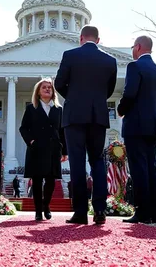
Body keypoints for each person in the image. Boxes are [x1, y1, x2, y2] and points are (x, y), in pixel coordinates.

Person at [55, 25, 117, 225]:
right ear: (98, 40)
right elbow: (109, 90)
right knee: (97, 161)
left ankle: (81, 212)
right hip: (98, 116)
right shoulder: (110, 60)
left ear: (80, 38)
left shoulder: (70, 55)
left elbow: (58, 84)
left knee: (77, 163)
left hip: (74, 116)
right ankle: (100, 210)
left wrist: (72, 98)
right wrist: (95, 101)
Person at [117, 36, 156, 224]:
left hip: (135, 125)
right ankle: (154, 213)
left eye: (132, 47)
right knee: (151, 169)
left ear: (137, 47)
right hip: (152, 126)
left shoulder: (134, 66)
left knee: (138, 170)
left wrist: (121, 111)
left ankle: (142, 212)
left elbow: (129, 93)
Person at [19, 78, 67, 221]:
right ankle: (38, 211)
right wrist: (31, 141)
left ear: (53, 92)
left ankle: (46, 205)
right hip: (37, 148)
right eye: (44, 87)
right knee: (38, 180)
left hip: (53, 149)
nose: (47, 89)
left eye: (49, 88)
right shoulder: (31, 108)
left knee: (51, 181)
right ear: (38, 92)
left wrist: (65, 151)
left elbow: (62, 131)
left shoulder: (58, 109)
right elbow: (23, 128)